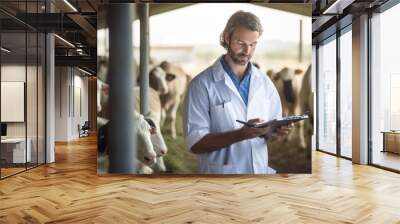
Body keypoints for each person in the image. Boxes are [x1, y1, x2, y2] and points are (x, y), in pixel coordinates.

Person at [183, 10, 292, 174]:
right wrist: (241, 134)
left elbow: (269, 133)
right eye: (241, 43)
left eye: (253, 44)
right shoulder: (201, 85)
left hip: (259, 175)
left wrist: (273, 131)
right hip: (220, 180)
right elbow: (195, 144)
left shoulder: (265, 83)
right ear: (227, 38)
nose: (247, 51)